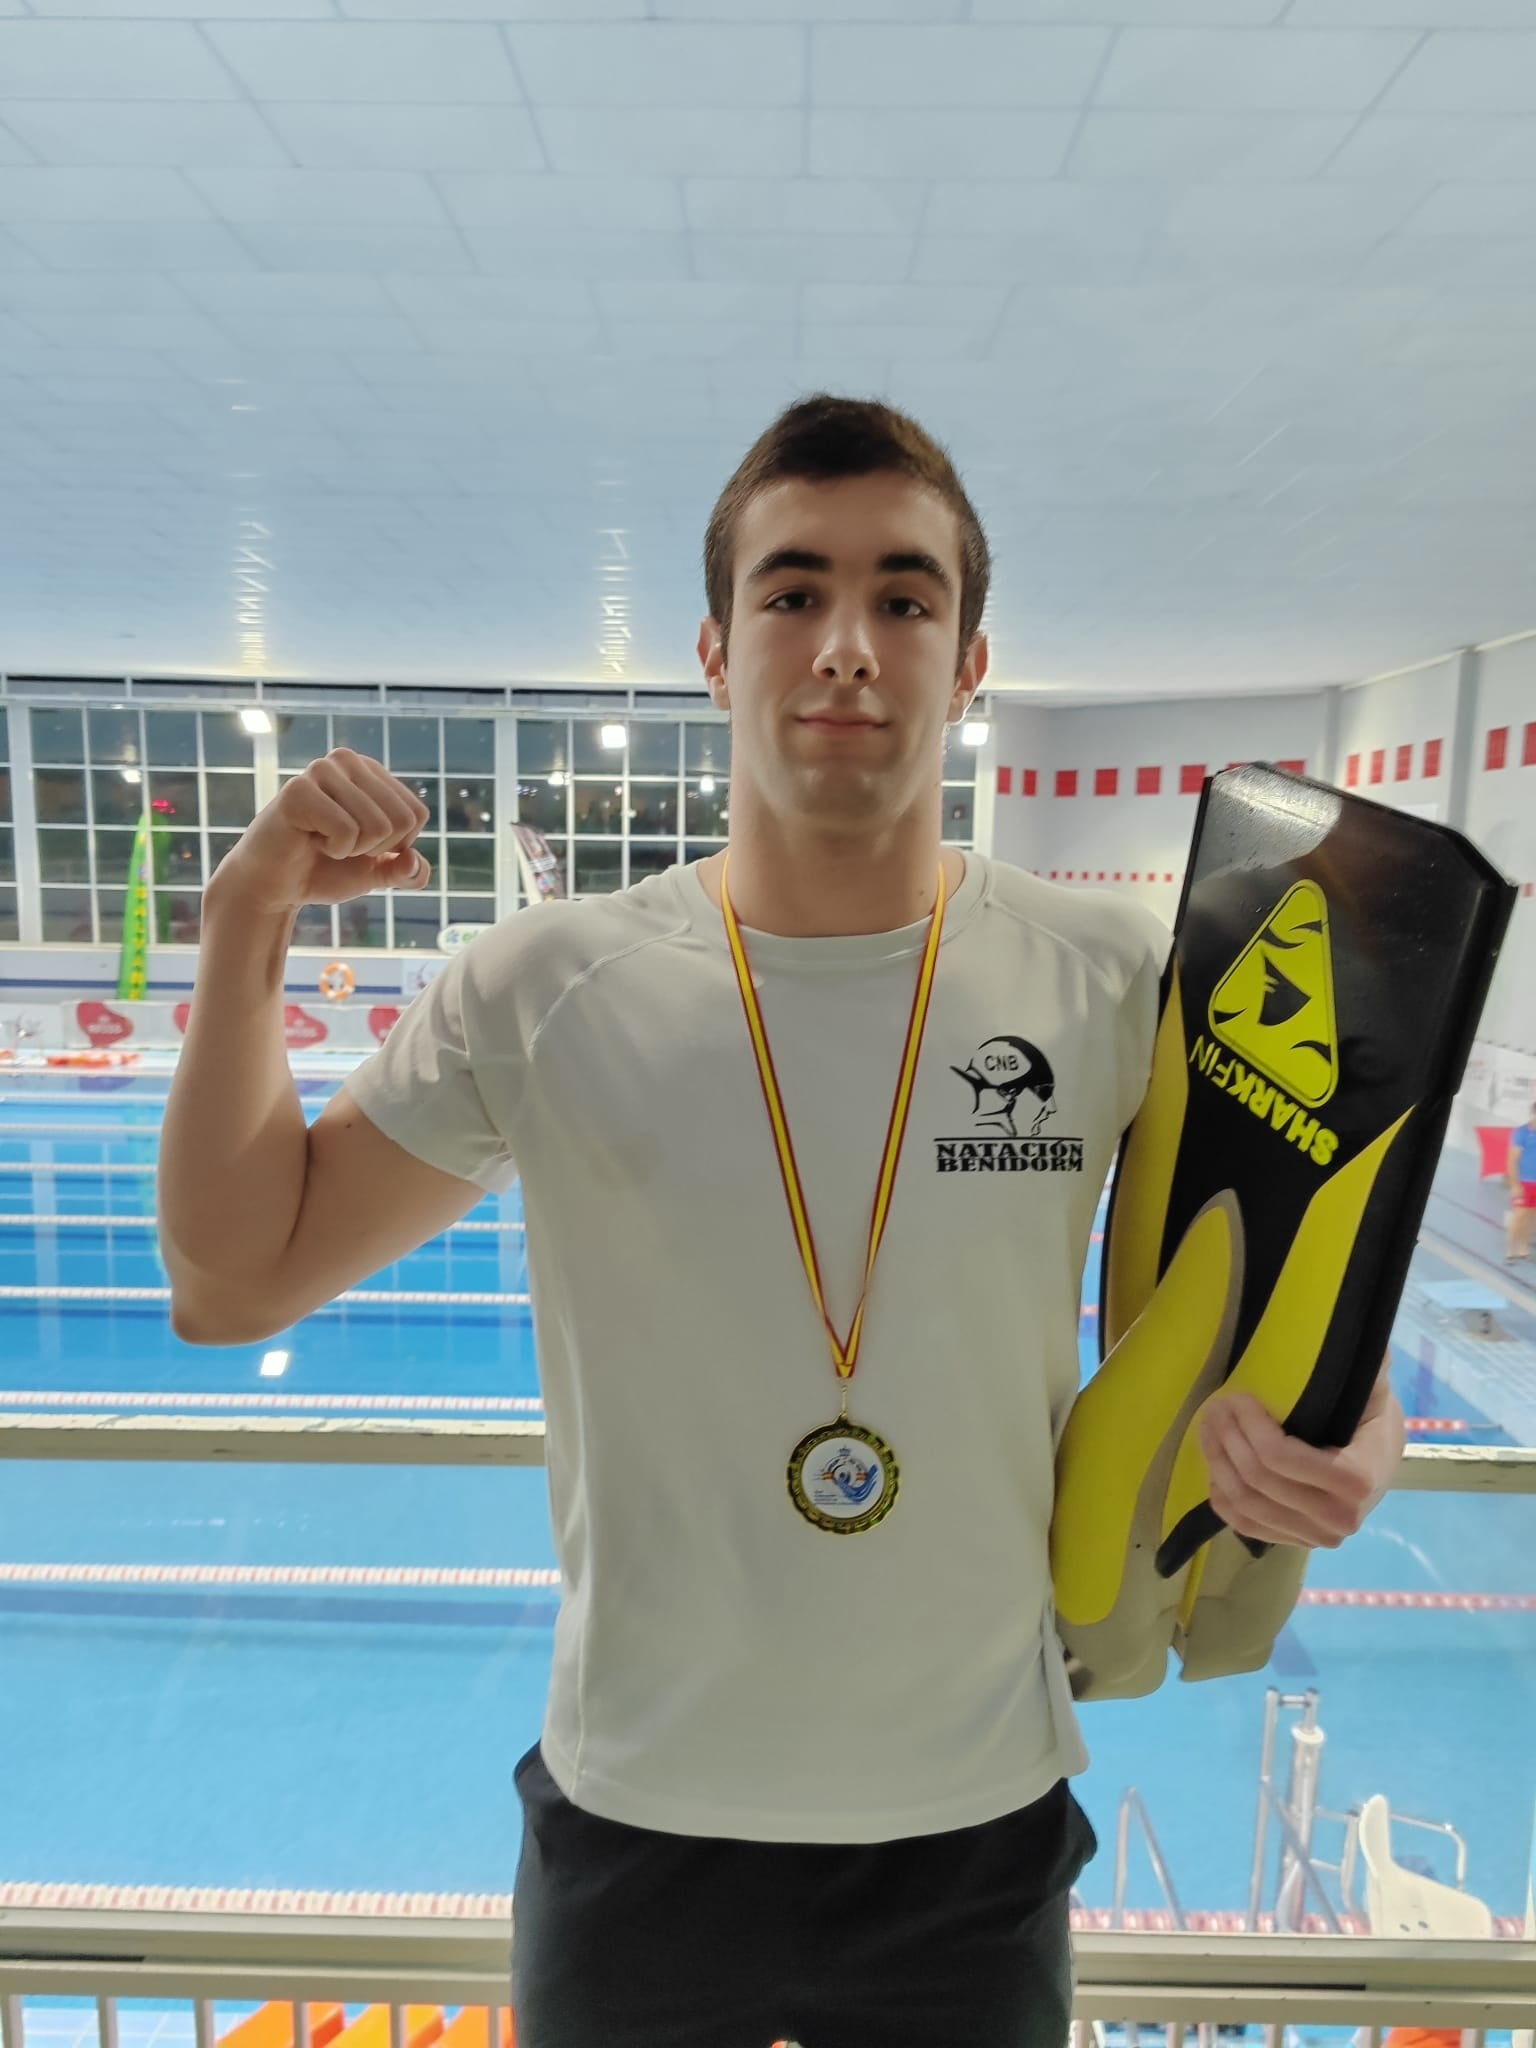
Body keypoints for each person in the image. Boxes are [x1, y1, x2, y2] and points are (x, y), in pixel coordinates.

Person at [157, 397, 1407, 2048]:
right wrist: (243, 916)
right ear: (713, 643)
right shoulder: (547, 986)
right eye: (792, 589)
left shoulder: (1117, 975)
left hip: (973, 1826)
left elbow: (1275, 1276)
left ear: (968, 661)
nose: (845, 644)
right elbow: (234, 1278)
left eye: (904, 597)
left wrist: (1349, 1436)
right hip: (638, 1822)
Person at [1505, 1102, 1536, 1263]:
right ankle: (1511, 1250)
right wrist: (1515, 1185)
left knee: (1532, 1217)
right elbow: (1512, 1161)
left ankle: (1524, 1248)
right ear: (1533, 1114)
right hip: (1524, 1183)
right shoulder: (1522, 1133)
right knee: (1520, 1216)